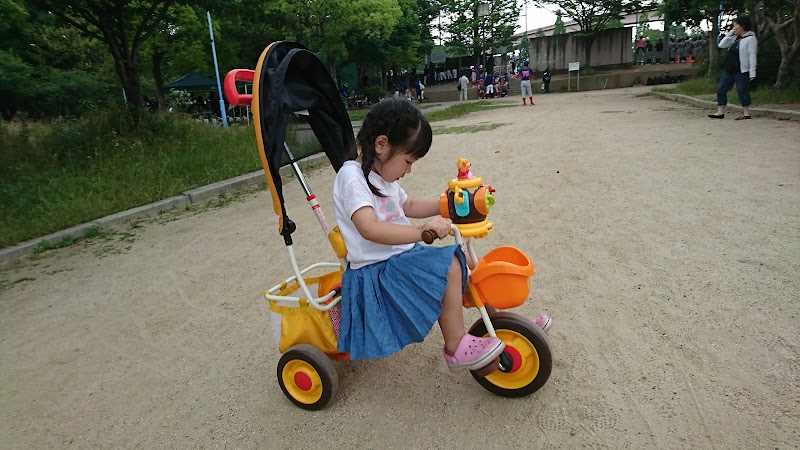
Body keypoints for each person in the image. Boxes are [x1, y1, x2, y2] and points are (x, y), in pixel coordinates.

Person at [333, 99, 545, 370]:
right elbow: (369, 228)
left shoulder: (382, 177)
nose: (408, 170)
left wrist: (449, 205)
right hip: (378, 271)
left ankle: (502, 324)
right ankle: (455, 345)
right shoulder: (352, 177)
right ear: (381, 145)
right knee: (451, 265)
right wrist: (420, 232)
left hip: (399, 259)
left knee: (469, 264)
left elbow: (409, 206)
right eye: (408, 161)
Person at [708, 16, 757, 120]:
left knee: (742, 90)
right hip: (729, 69)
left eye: (736, 26)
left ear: (742, 26)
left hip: (741, 70)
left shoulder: (750, 39)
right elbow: (721, 45)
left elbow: (752, 56)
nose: (734, 28)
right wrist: (731, 33)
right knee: (721, 89)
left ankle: (746, 112)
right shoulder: (735, 38)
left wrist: (752, 72)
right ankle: (720, 111)